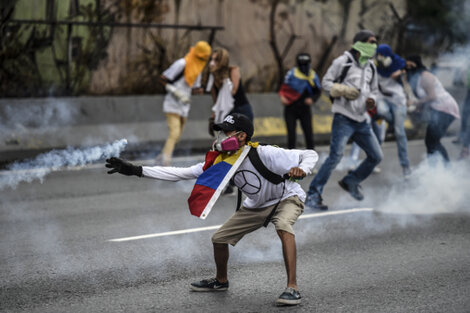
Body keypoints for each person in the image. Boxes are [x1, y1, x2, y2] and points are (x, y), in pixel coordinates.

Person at [105, 113, 318, 306]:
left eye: (226, 132)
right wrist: (136, 170)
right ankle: (221, 281)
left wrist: (303, 169)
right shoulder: (221, 161)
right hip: (256, 206)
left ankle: (292, 288)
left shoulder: (265, 153)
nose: (220, 136)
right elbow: (181, 173)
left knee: (282, 224)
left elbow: (310, 154)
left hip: (286, 198)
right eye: (220, 131)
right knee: (219, 239)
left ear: (242, 136)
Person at [305, 29, 383, 211]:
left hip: (362, 120)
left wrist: (372, 101)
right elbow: (325, 83)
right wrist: (344, 91)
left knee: (376, 156)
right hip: (343, 118)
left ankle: (351, 181)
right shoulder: (343, 62)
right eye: (370, 42)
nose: (373, 46)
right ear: (359, 43)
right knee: (335, 157)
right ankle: (313, 195)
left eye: (374, 43)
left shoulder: (371, 66)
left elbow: (374, 90)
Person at [198, 47, 254, 195]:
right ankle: (229, 183)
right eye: (211, 59)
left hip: (242, 110)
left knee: (243, 146)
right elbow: (216, 101)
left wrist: (221, 78)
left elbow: (233, 91)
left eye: (215, 60)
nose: (212, 63)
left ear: (222, 61)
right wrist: (213, 117)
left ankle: (248, 178)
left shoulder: (233, 71)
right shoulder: (213, 77)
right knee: (226, 147)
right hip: (229, 114)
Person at [157, 41, 211, 166]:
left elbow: (193, 87)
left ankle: (161, 156)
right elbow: (163, 79)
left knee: (177, 136)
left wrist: (202, 90)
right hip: (172, 103)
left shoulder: (198, 68)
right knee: (174, 133)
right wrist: (175, 91)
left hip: (184, 105)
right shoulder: (181, 64)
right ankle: (166, 160)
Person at [406, 55, 460, 163]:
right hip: (438, 109)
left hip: (446, 108)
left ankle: (445, 168)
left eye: (409, 65)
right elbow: (425, 98)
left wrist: (415, 103)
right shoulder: (417, 78)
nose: (408, 68)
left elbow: (432, 96)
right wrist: (418, 107)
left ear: (415, 64)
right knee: (431, 141)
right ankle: (433, 169)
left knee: (433, 141)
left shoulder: (426, 76)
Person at [279, 53, 322, 149]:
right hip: (291, 107)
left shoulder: (312, 75)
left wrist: (312, 99)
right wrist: (283, 97)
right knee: (291, 136)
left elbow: (318, 91)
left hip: (305, 108)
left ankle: (311, 156)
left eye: (305, 64)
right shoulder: (292, 73)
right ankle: (290, 158)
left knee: (309, 134)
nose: (303, 67)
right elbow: (283, 87)